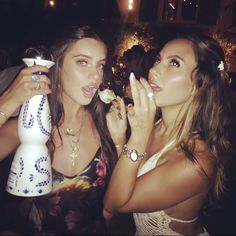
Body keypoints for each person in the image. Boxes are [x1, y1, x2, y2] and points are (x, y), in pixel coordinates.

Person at [104, 32, 233, 235]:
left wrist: (137, 137)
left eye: (174, 63)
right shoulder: (155, 124)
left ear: (199, 86)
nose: (154, 69)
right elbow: (128, 182)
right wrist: (121, 139)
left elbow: (114, 205)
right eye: (158, 59)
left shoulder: (196, 163)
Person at [0, 24, 117, 235]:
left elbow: (115, 205)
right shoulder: (30, 126)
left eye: (100, 65)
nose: (96, 76)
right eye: (83, 62)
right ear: (56, 64)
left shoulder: (109, 125)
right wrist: (8, 101)